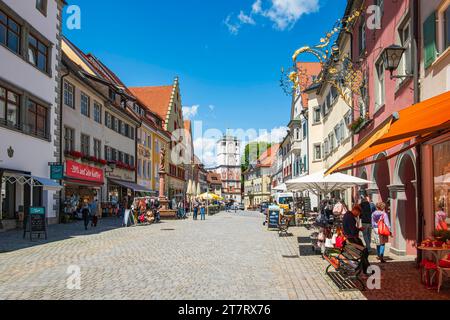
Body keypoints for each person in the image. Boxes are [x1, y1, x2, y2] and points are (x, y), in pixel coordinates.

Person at [343, 205, 371, 274]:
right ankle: (364, 269)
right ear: (355, 210)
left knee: (364, 253)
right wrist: (359, 229)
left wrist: (357, 229)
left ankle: (365, 268)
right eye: (358, 213)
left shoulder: (347, 215)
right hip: (352, 239)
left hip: (350, 238)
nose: (358, 215)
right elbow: (353, 230)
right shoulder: (350, 217)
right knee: (364, 252)